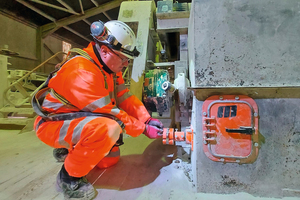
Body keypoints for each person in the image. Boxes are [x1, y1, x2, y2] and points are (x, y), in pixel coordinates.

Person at [32, 20, 164, 200]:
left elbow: (124, 96)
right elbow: (111, 113)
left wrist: (146, 119)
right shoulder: (82, 71)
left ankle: (71, 150)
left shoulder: (109, 68)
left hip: (77, 120)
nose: (126, 64)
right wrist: (143, 129)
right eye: (124, 58)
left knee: (109, 161)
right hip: (53, 124)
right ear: (104, 51)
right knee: (109, 129)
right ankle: (68, 177)